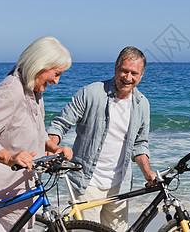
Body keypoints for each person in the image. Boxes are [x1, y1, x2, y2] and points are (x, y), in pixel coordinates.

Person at [0, 36, 73, 232]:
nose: (57, 82)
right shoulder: (11, 90)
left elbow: (35, 132)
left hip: (20, 189)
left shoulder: (34, 92)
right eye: (56, 74)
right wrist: (10, 157)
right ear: (40, 65)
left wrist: (55, 148)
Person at [48, 46, 156, 231]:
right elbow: (60, 124)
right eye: (124, 71)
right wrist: (51, 147)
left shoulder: (142, 104)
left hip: (120, 185)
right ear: (115, 68)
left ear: (141, 75)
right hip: (86, 183)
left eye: (134, 73)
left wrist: (147, 172)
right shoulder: (91, 93)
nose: (128, 77)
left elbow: (140, 144)